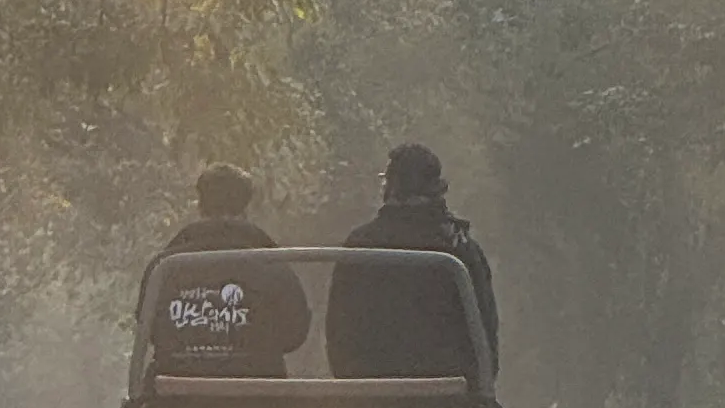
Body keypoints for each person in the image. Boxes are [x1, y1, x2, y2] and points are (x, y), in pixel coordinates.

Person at [324, 143, 498, 382]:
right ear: (437, 188)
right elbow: (485, 334)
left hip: (368, 390)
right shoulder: (460, 249)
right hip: (448, 392)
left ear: (391, 187)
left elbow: (337, 332)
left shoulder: (360, 245)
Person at [142, 165, 312, 377]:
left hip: (176, 390)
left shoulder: (165, 267)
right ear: (245, 207)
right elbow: (295, 334)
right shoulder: (274, 266)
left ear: (201, 206)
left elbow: (148, 330)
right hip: (259, 388)